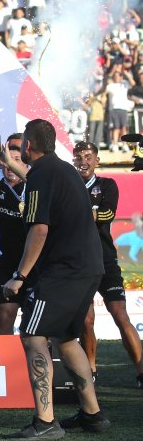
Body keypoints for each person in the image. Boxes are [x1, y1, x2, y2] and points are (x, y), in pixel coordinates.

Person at [2, 120, 110, 438]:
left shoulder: (40, 174)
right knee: (65, 337)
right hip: (90, 267)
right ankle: (93, 414)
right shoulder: (58, 168)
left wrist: (19, 277)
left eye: (21, 144)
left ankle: (46, 422)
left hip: (66, 269)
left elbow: (39, 229)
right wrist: (9, 164)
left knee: (34, 335)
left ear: (29, 146)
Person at [72, 141, 143, 387]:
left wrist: (78, 211)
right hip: (79, 263)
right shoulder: (68, 187)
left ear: (97, 160)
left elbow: (107, 214)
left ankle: (141, 370)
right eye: (79, 157)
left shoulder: (107, 185)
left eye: (88, 156)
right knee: (86, 320)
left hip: (105, 261)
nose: (84, 161)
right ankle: (91, 371)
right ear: (73, 161)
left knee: (120, 315)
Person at [0, 136, 30, 335]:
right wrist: (7, 211)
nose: (11, 166)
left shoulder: (34, 180)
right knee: (5, 312)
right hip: (1, 254)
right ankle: (3, 360)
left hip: (31, 255)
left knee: (32, 312)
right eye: (8, 161)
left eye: (17, 160)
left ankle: (38, 358)